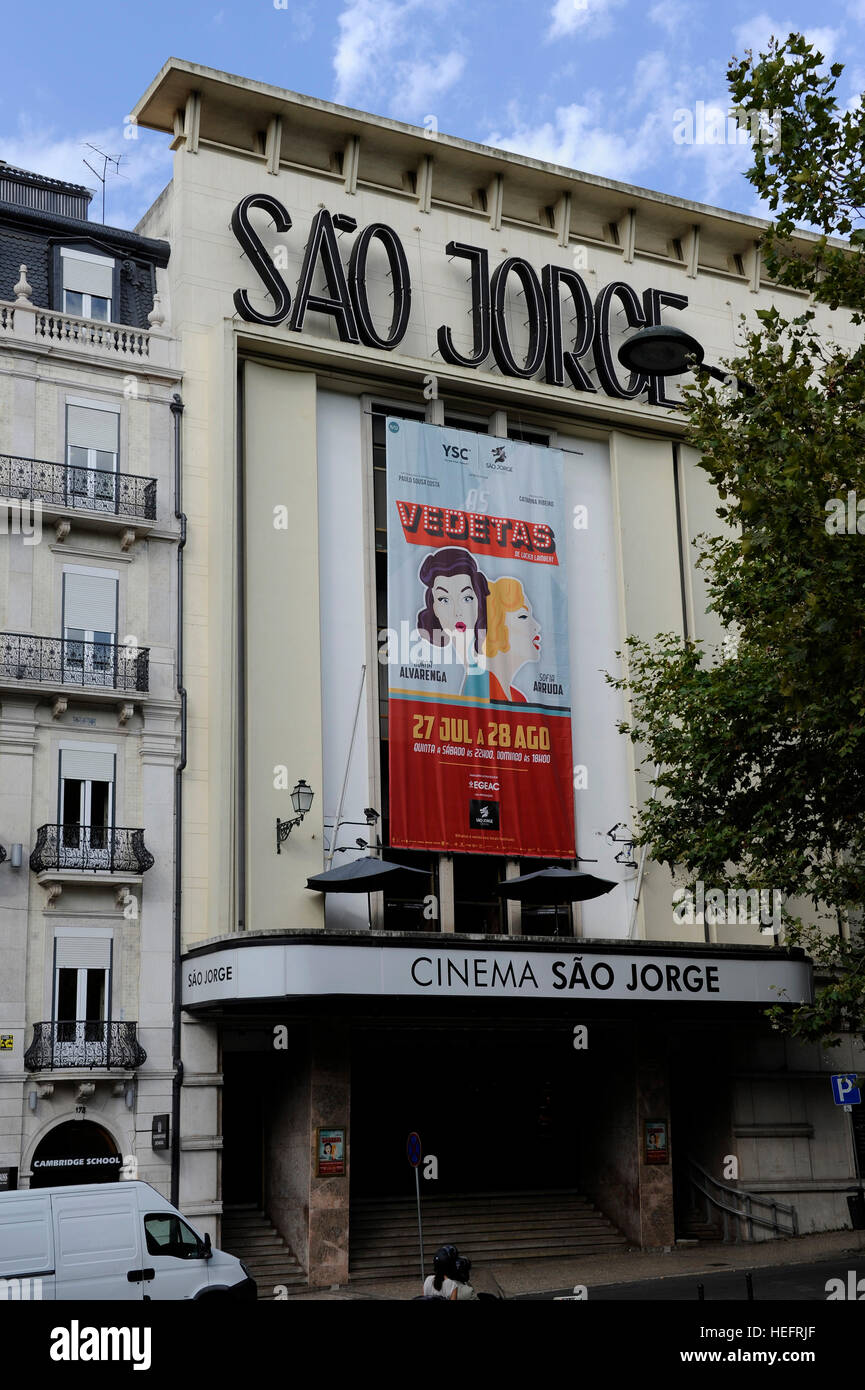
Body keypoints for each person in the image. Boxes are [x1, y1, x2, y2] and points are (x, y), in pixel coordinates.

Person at [483, 576, 541, 702]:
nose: (537, 626)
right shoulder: (479, 686)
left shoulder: (519, 698)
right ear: (494, 626)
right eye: (523, 617)